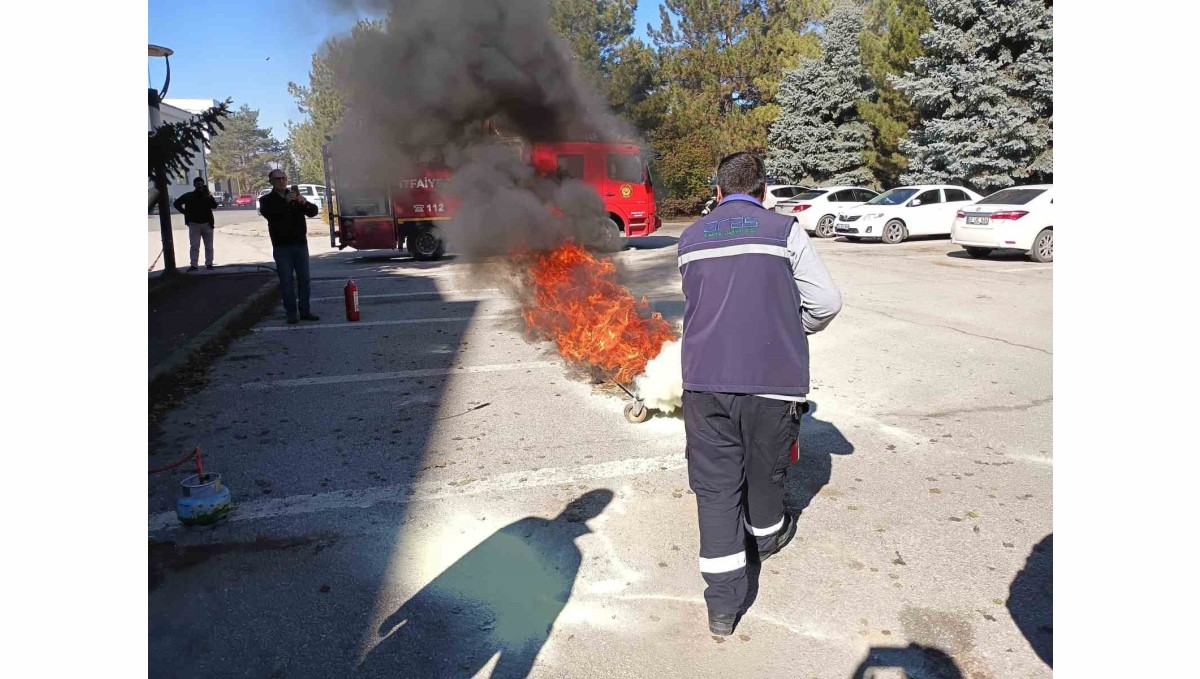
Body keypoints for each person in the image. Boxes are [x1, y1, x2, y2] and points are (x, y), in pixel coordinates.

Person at [677, 152, 842, 636]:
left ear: (718, 191)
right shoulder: (783, 230)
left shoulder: (688, 238)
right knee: (766, 469)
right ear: (764, 191)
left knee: (714, 487)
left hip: (705, 383)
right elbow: (826, 302)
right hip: (772, 378)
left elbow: (702, 302)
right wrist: (794, 329)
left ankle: (723, 609)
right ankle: (767, 537)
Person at [258, 170, 320, 324]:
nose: (281, 181)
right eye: (277, 179)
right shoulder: (267, 200)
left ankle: (305, 311)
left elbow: (313, 212)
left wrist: (303, 202)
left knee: (304, 280)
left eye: (284, 178)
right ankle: (291, 313)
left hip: (300, 244)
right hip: (282, 246)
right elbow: (271, 215)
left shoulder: (294, 196)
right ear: (271, 181)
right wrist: (285, 202)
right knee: (286, 281)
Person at [173, 177, 218, 271]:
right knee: (194, 245)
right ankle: (194, 265)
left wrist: (209, 196)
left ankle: (209, 264)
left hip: (207, 224)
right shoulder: (189, 195)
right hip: (194, 224)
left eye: (201, 184)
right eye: (198, 184)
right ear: (194, 185)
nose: (200, 186)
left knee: (209, 246)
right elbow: (176, 203)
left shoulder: (207, 195)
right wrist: (185, 212)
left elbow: (214, 206)